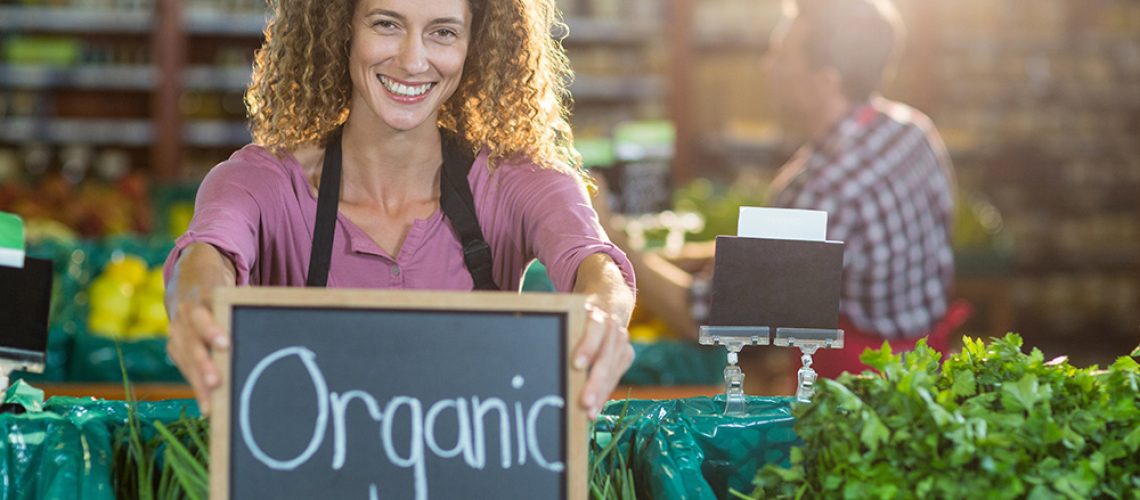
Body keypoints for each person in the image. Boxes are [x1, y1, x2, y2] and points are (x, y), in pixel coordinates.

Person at [163, 0, 636, 420]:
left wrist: (601, 313)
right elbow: (209, 253)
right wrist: (199, 301)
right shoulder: (262, 182)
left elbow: (593, 262)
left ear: (474, 43)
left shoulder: (517, 181)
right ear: (342, 28)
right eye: (386, 24)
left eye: (443, 32)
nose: (413, 60)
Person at [599, 0, 966, 390]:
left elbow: (705, 317)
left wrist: (611, 237)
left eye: (781, 56)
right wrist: (680, 257)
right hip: (923, 374)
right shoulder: (913, 131)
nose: (767, 66)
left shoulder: (822, 189)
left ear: (824, 82)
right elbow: (810, 252)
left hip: (855, 393)